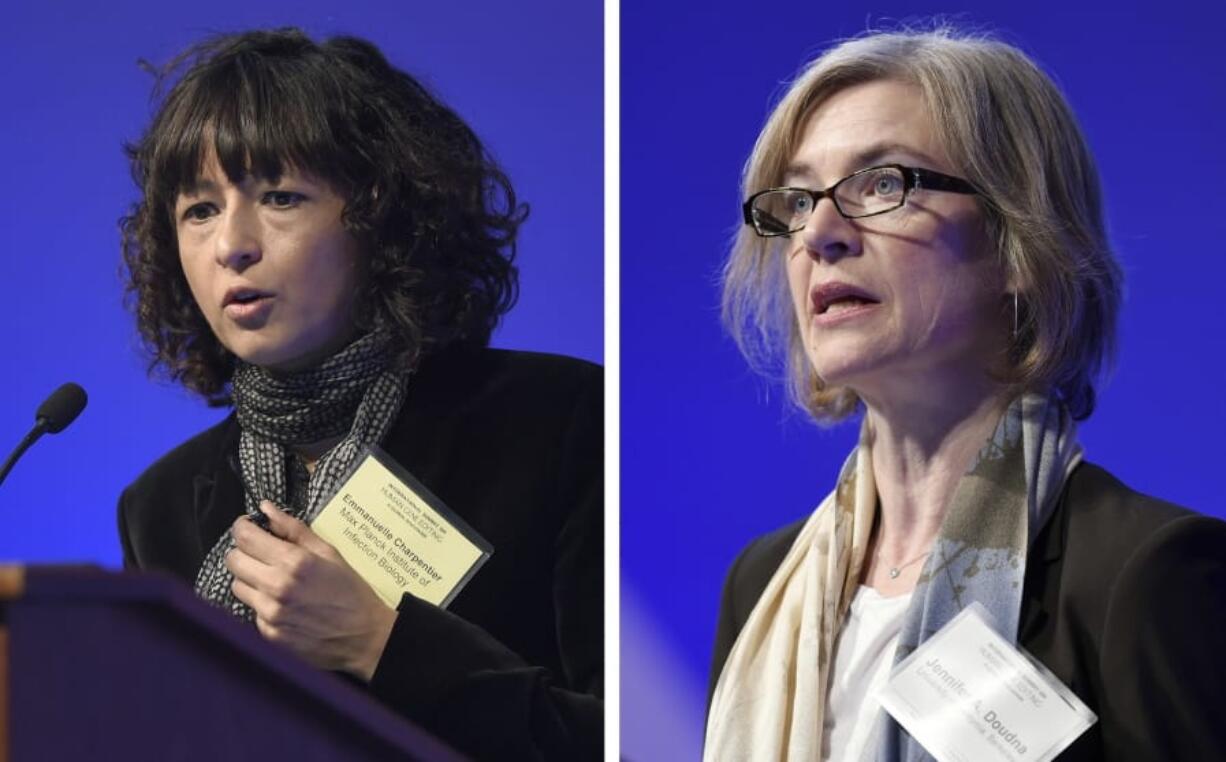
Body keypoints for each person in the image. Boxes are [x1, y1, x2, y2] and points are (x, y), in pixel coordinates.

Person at [705, 27, 1226, 762]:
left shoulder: (1146, 580)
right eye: (797, 199)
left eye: (883, 183)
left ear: (1021, 242)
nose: (820, 232)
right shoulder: (760, 585)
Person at [116, 28, 601, 761]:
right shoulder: (159, 509)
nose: (230, 246)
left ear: (385, 219)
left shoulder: (557, 422)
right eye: (199, 210)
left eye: (279, 197)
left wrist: (381, 642)